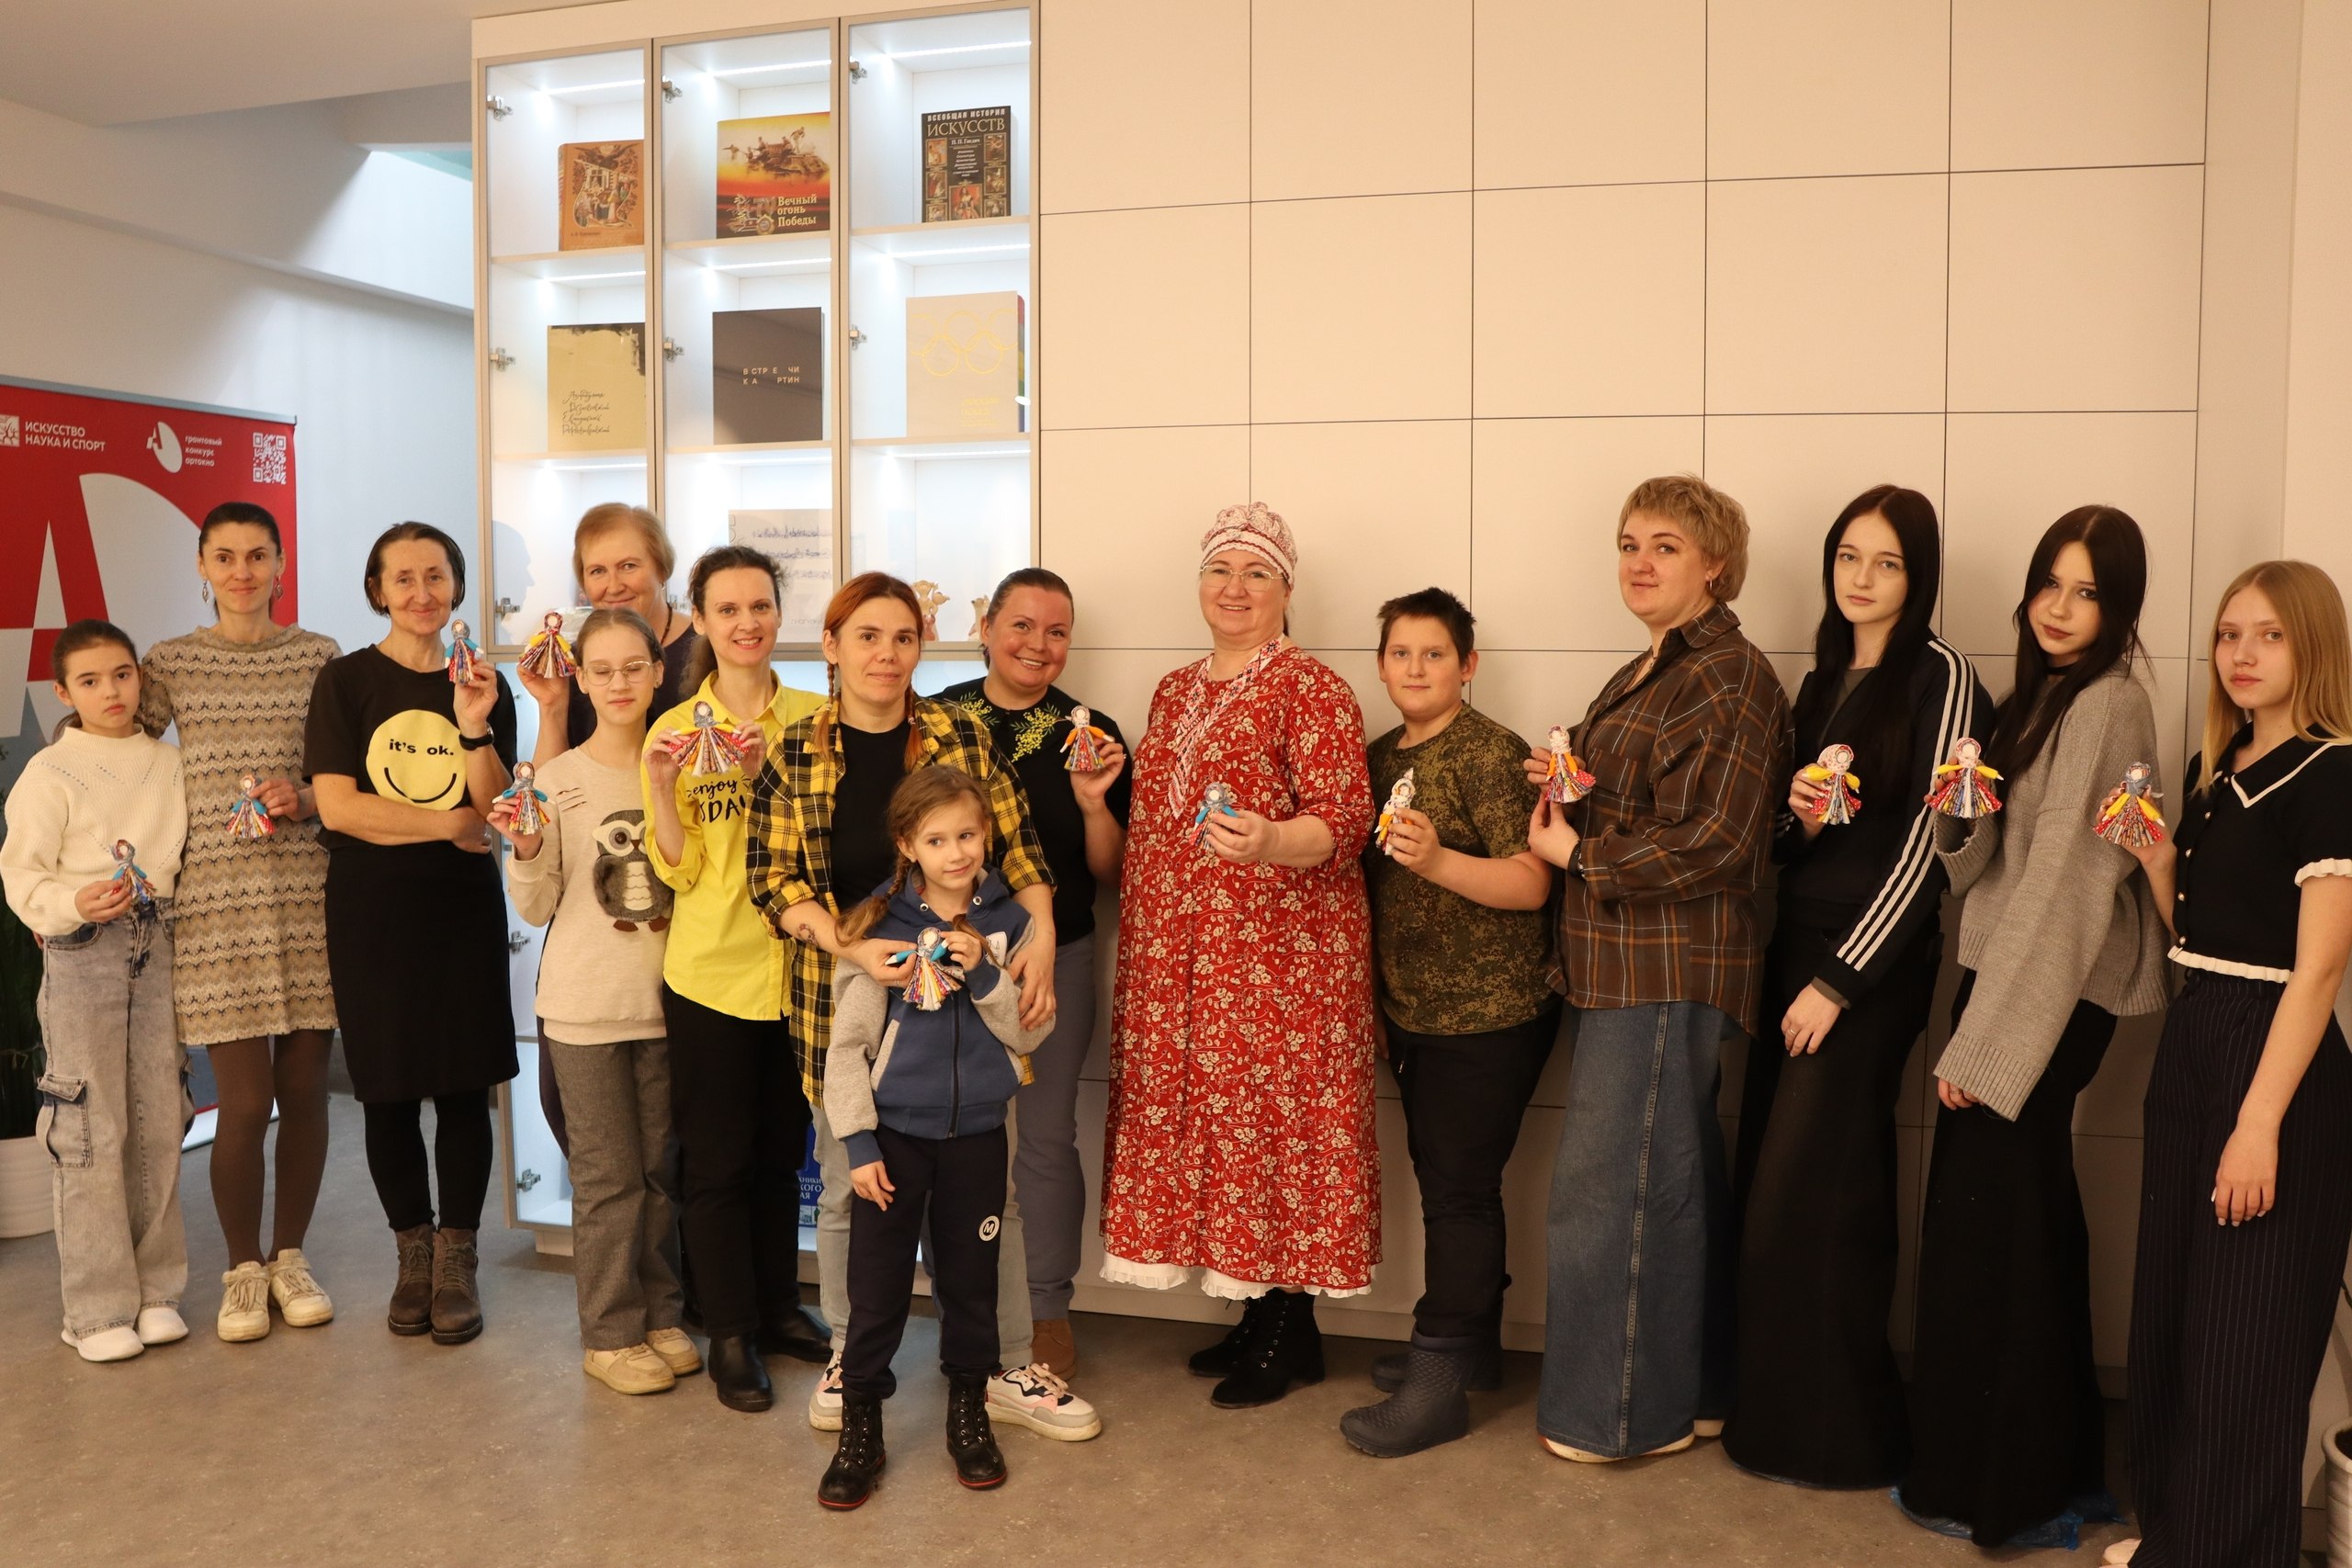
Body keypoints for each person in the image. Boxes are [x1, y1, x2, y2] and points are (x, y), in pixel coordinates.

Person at [747, 572, 1098, 1441]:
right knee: (848, 1186)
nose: (886, 654)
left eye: (902, 637)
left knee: (986, 1197)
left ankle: (1004, 1362)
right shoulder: (795, 751)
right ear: (833, 647)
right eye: (866, 636)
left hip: (972, 1013)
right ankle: (850, 1356)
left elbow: (1021, 848)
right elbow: (774, 882)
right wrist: (852, 948)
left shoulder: (960, 732)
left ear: (921, 645)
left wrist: (1040, 937)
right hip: (848, 1002)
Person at [1897, 506, 2170, 1549]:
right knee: (2019, 1224)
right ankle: (2040, 1470)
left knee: (1994, 1233)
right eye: (2050, 583)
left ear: (2120, 608)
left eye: (2088, 591)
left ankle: (2003, 1489)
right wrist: (1960, 803)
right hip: (2009, 977)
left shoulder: (2109, 704)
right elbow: (1978, 873)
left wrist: (1986, 1043)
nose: (2059, 608)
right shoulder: (2039, 699)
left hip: (2043, 996)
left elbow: (2065, 884)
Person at [1521, 473, 1791, 1464]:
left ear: (1715, 564)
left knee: (1612, 1196)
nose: (1639, 562)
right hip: (1624, 963)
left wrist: (1577, 852)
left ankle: (1617, 1416)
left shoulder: (1729, 674)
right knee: (1667, 1183)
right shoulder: (1655, 666)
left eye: (1665, 546)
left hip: (1664, 968)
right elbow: (1656, 803)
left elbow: (1721, 839)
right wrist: (1570, 793)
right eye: (1630, 543)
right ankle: (1696, 1393)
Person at [1725, 486, 1987, 1486]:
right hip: (1793, 951)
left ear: (1918, 576)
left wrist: (1839, 982)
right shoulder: (1821, 678)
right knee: (1775, 1191)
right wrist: (1796, 818)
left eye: (1886, 562)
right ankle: (1776, 1423)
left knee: (1821, 1194)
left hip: (1865, 971)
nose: (1862, 578)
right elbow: (1786, 844)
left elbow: (1934, 847)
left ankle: (1847, 1437)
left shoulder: (1942, 676)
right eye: (1847, 556)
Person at [1100, 502, 1382, 1410]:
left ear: (1286, 591)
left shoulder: (1314, 690)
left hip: (1282, 961)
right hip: (1184, 958)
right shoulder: (1173, 691)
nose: (1234, 587)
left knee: (1278, 1130)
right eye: (1220, 569)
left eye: (1257, 572)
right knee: (1220, 1132)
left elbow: (1345, 822)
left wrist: (1269, 839)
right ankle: (1257, 1312)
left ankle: (1291, 1328)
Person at [2102, 561, 2352, 1568]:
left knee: (2247, 1334)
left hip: (2274, 1064)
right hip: (2196, 1032)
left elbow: (2319, 967)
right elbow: (2199, 937)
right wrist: (2158, 860)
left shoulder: (2333, 774)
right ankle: (2179, 1534)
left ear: (2312, 645)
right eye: (2228, 634)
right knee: (2177, 1307)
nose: (2242, 654)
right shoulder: (2218, 767)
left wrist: (2258, 1124)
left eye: (2269, 635)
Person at [1340, 587, 1555, 1458]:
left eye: (1435, 653)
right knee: (1446, 1180)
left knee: (1459, 1193)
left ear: (1467, 665)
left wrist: (1436, 860)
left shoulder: (1493, 752)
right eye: (1401, 653)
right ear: (1381, 664)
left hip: (1492, 1015)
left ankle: (1438, 1383)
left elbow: (1533, 882)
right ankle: (1475, 1352)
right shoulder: (1377, 756)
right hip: (1415, 1012)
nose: (1416, 668)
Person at [814, 768, 1057, 1509]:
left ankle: (968, 1414)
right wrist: (859, 1144)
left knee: (971, 1284)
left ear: (987, 835)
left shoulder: (1012, 924)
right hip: (892, 1142)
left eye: (968, 834)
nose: (956, 852)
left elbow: (1031, 1032)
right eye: (938, 839)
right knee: (877, 1288)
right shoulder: (874, 927)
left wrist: (985, 976)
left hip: (978, 1135)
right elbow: (846, 1051)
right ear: (907, 845)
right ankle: (862, 1424)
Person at [305, 523, 518, 1347]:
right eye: (403, 578)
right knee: (387, 1089)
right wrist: (448, 823)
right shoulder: (346, 680)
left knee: (464, 1086)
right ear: (377, 590)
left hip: (461, 907)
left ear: (457, 585)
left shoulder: (483, 682)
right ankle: (413, 1255)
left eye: (436, 575)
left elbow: (498, 805)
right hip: (372, 908)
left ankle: (457, 1257)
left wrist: (473, 726)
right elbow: (339, 806)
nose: (421, 592)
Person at [138, 502, 341, 1344]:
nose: (242, 571)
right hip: (214, 905)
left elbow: (347, 772)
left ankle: (290, 1257)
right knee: (247, 1102)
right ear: (202, 566)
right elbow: (121, 755)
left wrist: (309, 798)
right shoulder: (170, 662)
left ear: (281, 563)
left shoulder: (320, 657)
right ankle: (242, 1269)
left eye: (258, 555)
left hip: (309, 895)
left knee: (306, 1091)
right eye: (225, 556)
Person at [639, 545, 824, 1411]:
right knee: (716, 1164)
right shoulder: (674, 730)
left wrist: (764, 780)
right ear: (702, 622)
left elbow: (827, 848)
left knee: (784, 1156)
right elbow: (676, 869)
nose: (747, 623)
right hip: (711, 972)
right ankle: (731, 1332)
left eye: (761, 606)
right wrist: (663, 789)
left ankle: (780, 1306)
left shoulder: (817, 718)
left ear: (779, 614)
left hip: (803, 970)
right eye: (728, 610)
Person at [494, 608, 696, 1396]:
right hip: (583, 1008)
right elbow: (536, 904)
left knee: (659, 1171)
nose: (618, 683)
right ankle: (609, 1332)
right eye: (602, 670)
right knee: (609, 1176)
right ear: (580, 678)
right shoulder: (555, 779)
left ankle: (662, 1313)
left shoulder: (680, 766)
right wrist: (525, 846)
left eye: (633, 667)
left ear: (658, 672)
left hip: (669, 1003)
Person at [940, 567, 1131, 1375]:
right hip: (948, 957)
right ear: (986, 626)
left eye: (1057, 631)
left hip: (1061, 954)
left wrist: (1092, 803)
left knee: (1046, 1136)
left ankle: (1047, 1308)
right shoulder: (936, 719)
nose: (1037, 644)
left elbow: (1112, 872)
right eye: (1021, 624)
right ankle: (965, 1301)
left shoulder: (1090, 732)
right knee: (949, 1132)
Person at [2, 621, 190, 1363]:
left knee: (159, 1116)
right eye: (89, 680)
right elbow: (22, 873)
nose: (110, 691)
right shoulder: (50, 771)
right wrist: (72, 903)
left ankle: (157, 1292)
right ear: (62, 691)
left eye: (121, 674)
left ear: (139, 677)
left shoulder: (168, 762)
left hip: (160, 939)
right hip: (83, 949)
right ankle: (95, 1307)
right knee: (88, 1124)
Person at [518, 502, 700, 1156]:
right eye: (597, 570)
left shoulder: (702, 651)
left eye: (629, 565)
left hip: (681, 952)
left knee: (670, 1157)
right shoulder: (575, 651)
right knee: (600, 1156)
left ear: (661, 566)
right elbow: (551, 804)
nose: (614, 583)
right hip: (593, 962)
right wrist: (553, 708)